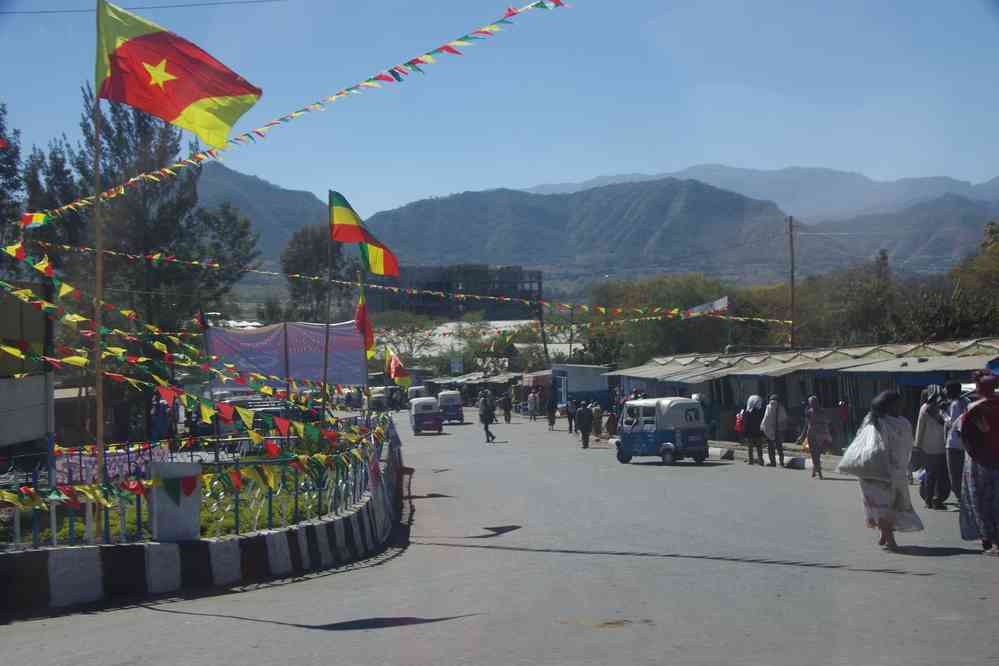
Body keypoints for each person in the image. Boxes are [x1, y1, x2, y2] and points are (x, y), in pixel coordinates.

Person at [855, 391, 924, 551]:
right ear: (887, 405)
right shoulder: (874, 421)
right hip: (875, 471)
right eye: (897, 404)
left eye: (901, 403)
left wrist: (907, 464)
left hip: (896, 471)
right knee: (882, 505)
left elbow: (907, 445)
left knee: (893, 504)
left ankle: (885, 532)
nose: (900, 406)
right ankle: (890, 538)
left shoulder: (903, 423)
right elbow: (866, 443)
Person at [960, 370, 999, 554]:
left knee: (980, 499)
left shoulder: (974, 408)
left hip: (978, 462)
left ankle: (987, 537)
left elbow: (961, 432)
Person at [914, 386, 949, 509]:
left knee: (930, 474)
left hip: (927, 447)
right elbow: (948, 423)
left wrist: (917, 445)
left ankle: (928, 500)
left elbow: (920, 427)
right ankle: (937, 499)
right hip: (942, 446)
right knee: (940, 475)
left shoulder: (924, 408)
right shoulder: (944, 408)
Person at [944, 381, 968, 504]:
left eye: (946, 389)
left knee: (954, 475)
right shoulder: (966, 401)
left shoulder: (954, 404)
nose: (945, 391)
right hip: (964, 445)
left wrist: (943, 414)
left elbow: (952, 423)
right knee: (962, 474)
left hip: (953, 444)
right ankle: (964, 500)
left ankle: (961, 501)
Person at [761, 394, 789, 467]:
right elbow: (784, 418)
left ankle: (772, 462)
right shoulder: (781, 407)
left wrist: (763, 427)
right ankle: (781, 462)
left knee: (771, 447)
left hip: (770, 429)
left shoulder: (769, 407)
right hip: (779, 430)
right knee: (779, 447)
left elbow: (766, 418)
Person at [743, 395, 766, 466]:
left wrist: (745, 434)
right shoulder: (761, 411)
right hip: (758, 433)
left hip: (750, 434)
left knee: (750, 448)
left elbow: (746, 424)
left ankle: (751, 460)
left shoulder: (748, 412)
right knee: (759, 448)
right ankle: (761, 461)